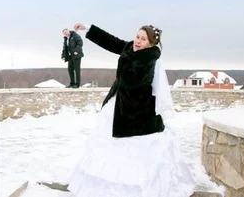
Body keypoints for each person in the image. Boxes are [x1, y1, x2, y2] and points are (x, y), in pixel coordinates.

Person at [66, 23, 196, 196]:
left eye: (143, 39)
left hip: (137, 111)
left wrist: (126, 58)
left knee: (134, 152)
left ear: (151, 44)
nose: (138, 41)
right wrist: (88, 29)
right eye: (137, 37)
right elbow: (112, 42)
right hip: (120, 103)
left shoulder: (148, 58)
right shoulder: (131, 48)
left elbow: (131, 81)